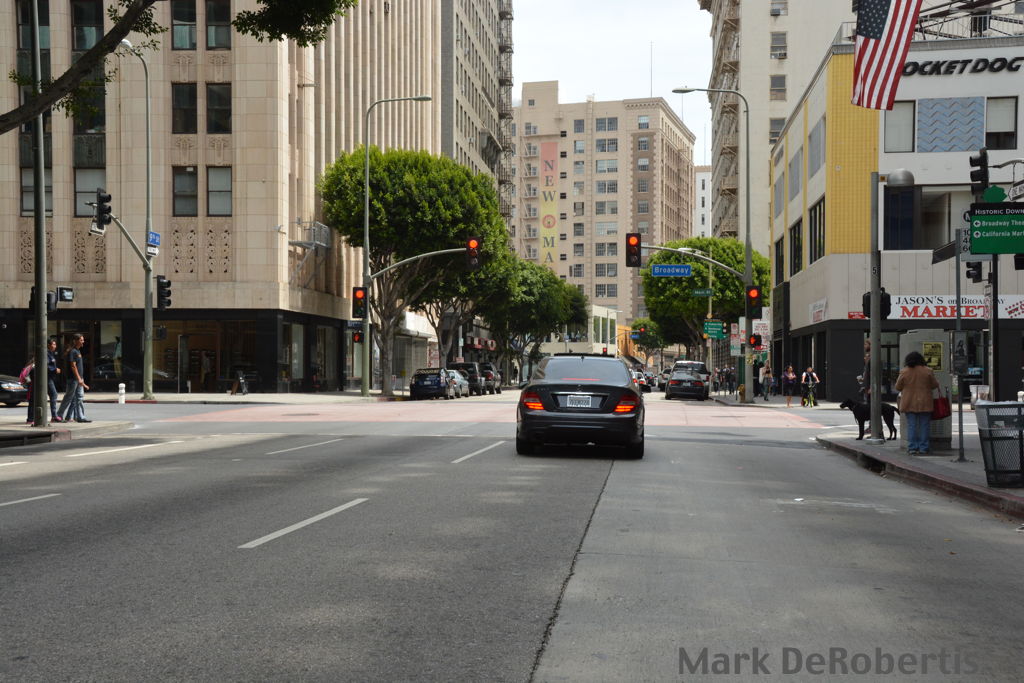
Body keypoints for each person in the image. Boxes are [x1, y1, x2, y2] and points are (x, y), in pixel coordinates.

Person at [895, 350, 940, 455]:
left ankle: (912, 447)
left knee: (912, 425)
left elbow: (898, 387)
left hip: (909, 402)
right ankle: (923, 447)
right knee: (924, 425)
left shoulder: (904, 372)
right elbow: (934, 385)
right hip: (925, 402)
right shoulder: (928, 371)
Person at [65, 333, 90, 423]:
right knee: (74, 398)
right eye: (81, 340)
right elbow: (73, 366)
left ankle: (73, 416)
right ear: (75, 341)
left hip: (78, 378)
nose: (83, 341)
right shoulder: (73, 351)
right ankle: (79, 417)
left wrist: (81, 379)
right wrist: (79, 379)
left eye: (83, 340)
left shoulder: (78, 351)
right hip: (74, 379)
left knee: (76, 399)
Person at [47, 338, 62, 422]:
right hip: (47, 378)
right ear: (48, 345)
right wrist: (55, 369)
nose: (55, 346)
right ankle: (54, 416)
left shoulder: (51, 354)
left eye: (55, 344)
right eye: (53, 344)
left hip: (50, 378)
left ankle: (54, 415)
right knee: (54, 394)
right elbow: (46, 365)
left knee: (53, 394)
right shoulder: (46, 354)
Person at [19, 357, 35, 424]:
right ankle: (30, 419)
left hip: (31, 385)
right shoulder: (33, 367)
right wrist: (30, 382)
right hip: (33, 386)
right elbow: (28, 377)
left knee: (32, 402)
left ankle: (31, 419)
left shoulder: (30, 366)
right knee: (32, 402)